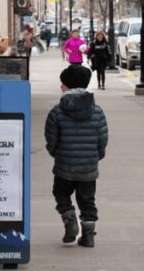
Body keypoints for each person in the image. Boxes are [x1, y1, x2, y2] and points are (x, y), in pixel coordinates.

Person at [44, 65, 108, 248]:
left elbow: (51, 139)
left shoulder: (57, 112)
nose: (60, 87)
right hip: (88, 166)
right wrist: (97, 155)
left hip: (64, 165)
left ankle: (69, 219)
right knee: (87, 200)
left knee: (61, 193)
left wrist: (56, 154)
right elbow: (102, 138)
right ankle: (88, 235)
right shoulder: (97, 111)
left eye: (62, 84)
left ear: (67, 86)